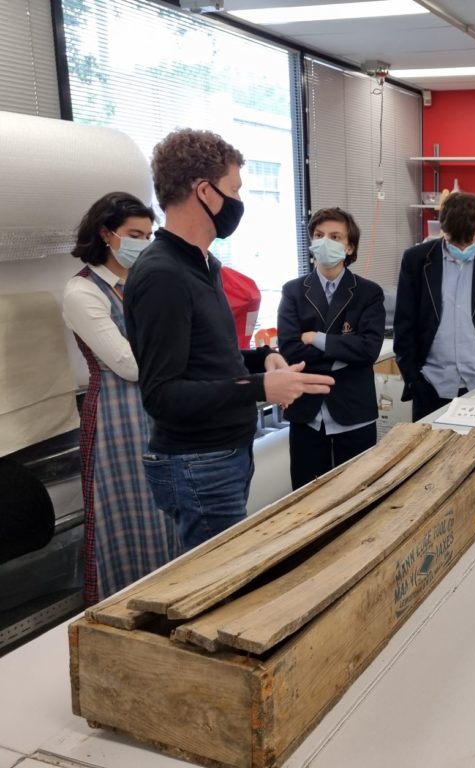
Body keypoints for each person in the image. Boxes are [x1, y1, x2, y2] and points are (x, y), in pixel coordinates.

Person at [124, 128, 334, 549]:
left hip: (224, 452)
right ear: (204, 191)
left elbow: (208, 356)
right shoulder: (163, 275)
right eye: (234, 189)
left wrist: (262, 359)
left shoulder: (204, 265)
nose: (239, 202)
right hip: (198, 461)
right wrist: (261, 388)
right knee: (218, 590)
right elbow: (163, 394)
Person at [61, 192, 180, 601]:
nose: (142, 244)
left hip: (158, 407)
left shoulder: (141, 282)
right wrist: (174, 351)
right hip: (118, 414)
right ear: (106, 234)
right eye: (134, 234)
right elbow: (128, 365)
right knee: (133, 515)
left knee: (168, 511)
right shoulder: (83, 292)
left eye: (148, 235)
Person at [394, 192, 475, 422]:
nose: (462, 247)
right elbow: (404, 325)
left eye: (469, 240)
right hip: (431, 384)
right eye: (455, 240)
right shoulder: (416, 260)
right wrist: (413, 379)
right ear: (443, 228)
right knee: (431, 456)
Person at [277, 208, 384, 490]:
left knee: (359, 495)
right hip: (307, 413)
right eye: (319, 235)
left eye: (335, 237)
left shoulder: (368, 292)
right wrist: (342, 352)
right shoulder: (293, 291)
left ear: (349, 247)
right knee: (306, 498)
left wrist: (316, 339)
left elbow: (369, 349)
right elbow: (289, 349)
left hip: (354, 410)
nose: (325, 241)